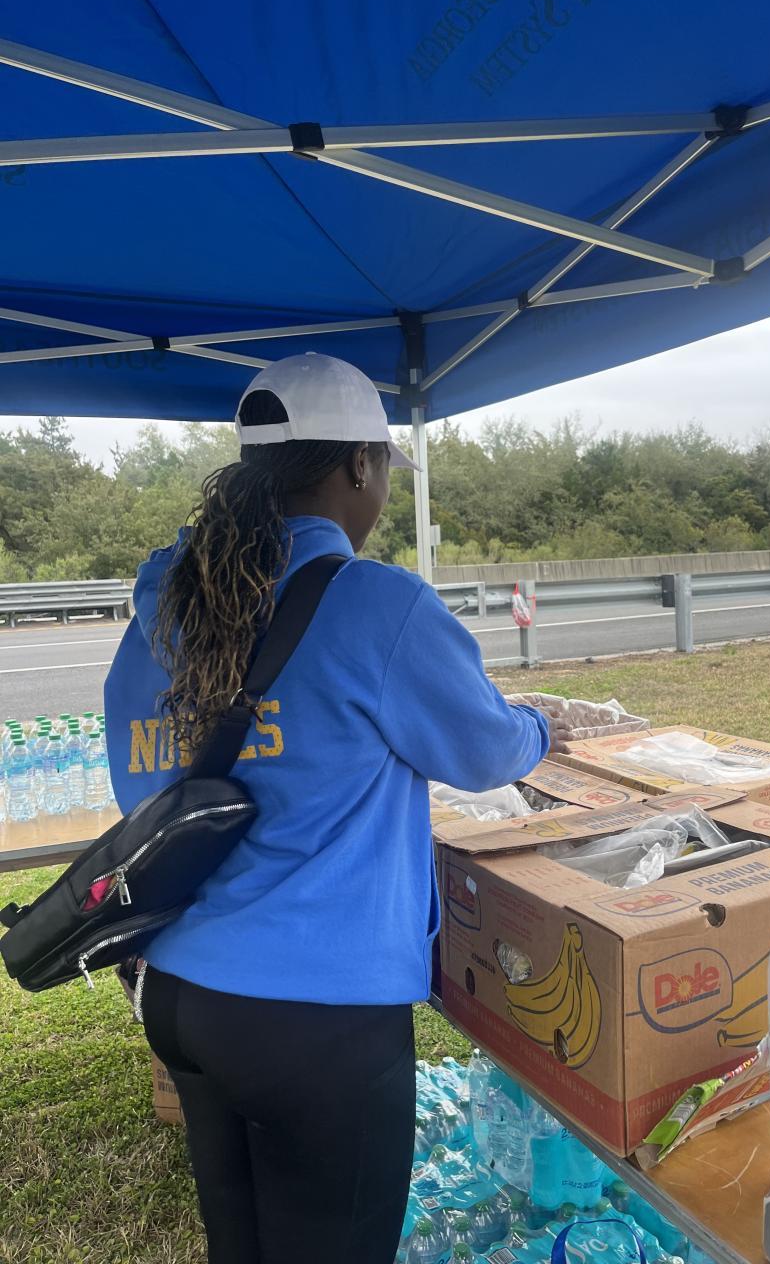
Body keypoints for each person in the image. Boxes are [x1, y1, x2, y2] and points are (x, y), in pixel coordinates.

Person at [103, 353, 558, 1264]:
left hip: (179, 991)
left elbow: (138, 779)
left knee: (241, 1246)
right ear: (359, 464)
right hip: (316, 1017)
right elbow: (485, 752)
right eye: (383, 468)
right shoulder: (375, 604)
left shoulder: (165, 604)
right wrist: (543, 725)